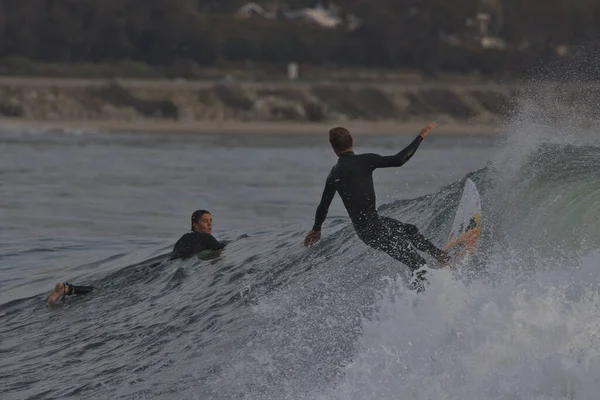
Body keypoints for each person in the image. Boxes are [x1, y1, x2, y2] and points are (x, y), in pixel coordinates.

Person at [303, 122, 450, 289]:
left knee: (410, 230)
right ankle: (421, 301)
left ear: (333, 148)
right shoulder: (365, 160)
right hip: (375, 229)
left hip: (368, 229)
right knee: (417, 263)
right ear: (352, 141)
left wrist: (316, 229)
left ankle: (440, 255)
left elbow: (324, 205)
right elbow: (399, 160)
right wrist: (421, 136)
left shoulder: (334, 174)